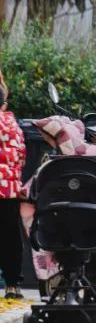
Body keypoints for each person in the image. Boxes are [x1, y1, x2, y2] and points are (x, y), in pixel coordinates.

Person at [0, 70, 26, 299]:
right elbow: (21, 157)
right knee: (10, 235)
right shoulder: (14, 126)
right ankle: (13, 283)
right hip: (9, 191)